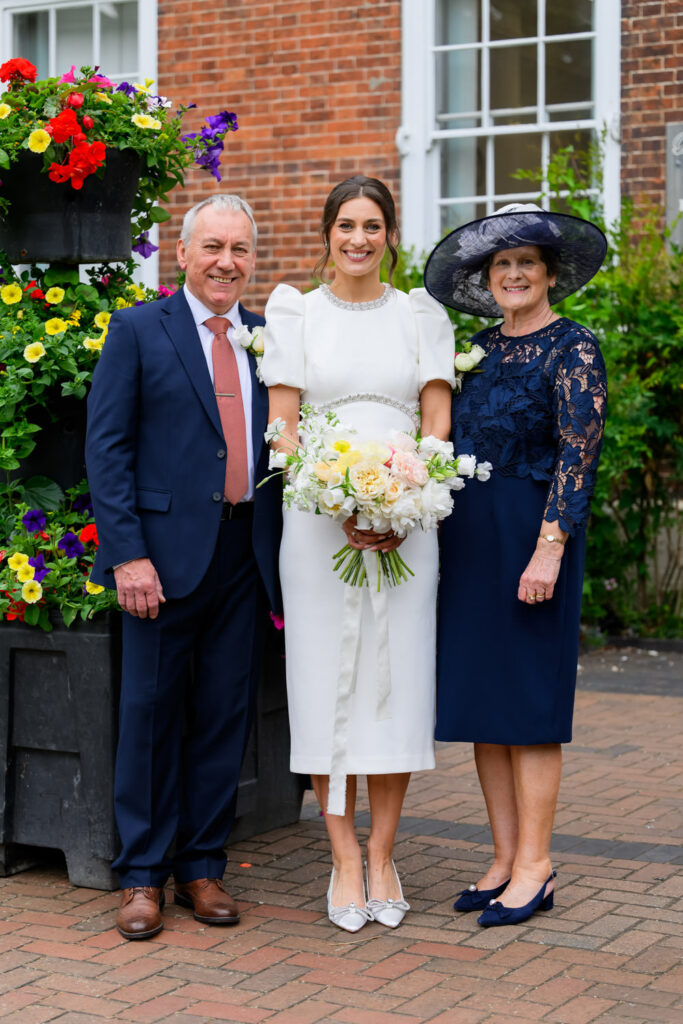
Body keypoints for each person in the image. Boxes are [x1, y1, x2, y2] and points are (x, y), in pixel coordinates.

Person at [261, 176, 455, 932]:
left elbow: (436, 416)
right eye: (346, 225)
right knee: (319, 684)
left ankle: (384, 851)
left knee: (394, 684)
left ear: (390, 235)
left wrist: (407, 499)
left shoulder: (419, 315)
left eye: (372, 225)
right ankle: (342, 855)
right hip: (316, 525)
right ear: (326, 234)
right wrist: (334, 497)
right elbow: (283, 425)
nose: (358, 239)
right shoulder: (295, 312)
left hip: (410, 523)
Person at [85, 194, 281, 940]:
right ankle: (141, 877)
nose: (226, 261)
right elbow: (108, 449)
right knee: (148, 716)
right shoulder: (140, 328)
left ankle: (202, 866)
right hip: (159, 561)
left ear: (252, 260)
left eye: (239, 249)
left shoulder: (267, 338)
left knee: (224, 714)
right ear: (183, 253)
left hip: (243, 553)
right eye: (212, 247)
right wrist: (127, 553)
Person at [424, 203, 607, 927]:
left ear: (549, 274)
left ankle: (536, 864)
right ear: (485, 279)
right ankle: (502, 857)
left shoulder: (573, 349)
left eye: (525, 264)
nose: (512, 275)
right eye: (500, 266)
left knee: (528, 709)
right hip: (469, 539)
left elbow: (577, 455)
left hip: (532, 536)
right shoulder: (474, 348)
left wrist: (550, 546)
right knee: (485, 708)